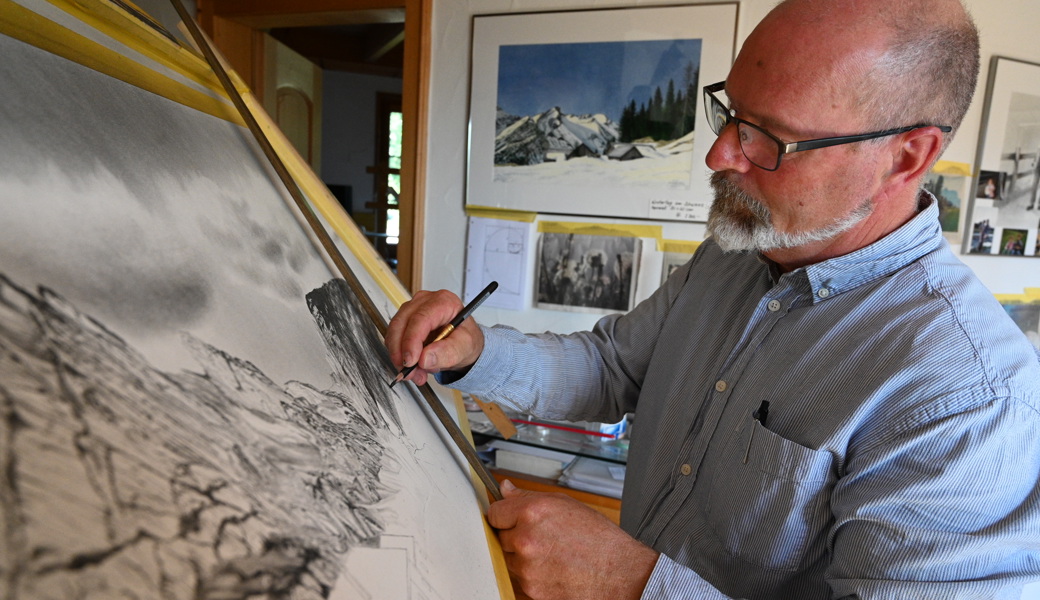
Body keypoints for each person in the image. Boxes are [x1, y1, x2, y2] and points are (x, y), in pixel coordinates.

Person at [385, 0, 1040, 598]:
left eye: (772, 137)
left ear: (908, 156)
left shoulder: (972, 394)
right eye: (730, 113)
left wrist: (631, 584)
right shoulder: (736, 253)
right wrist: (474, 352)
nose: (720, 154)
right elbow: (612, 368)